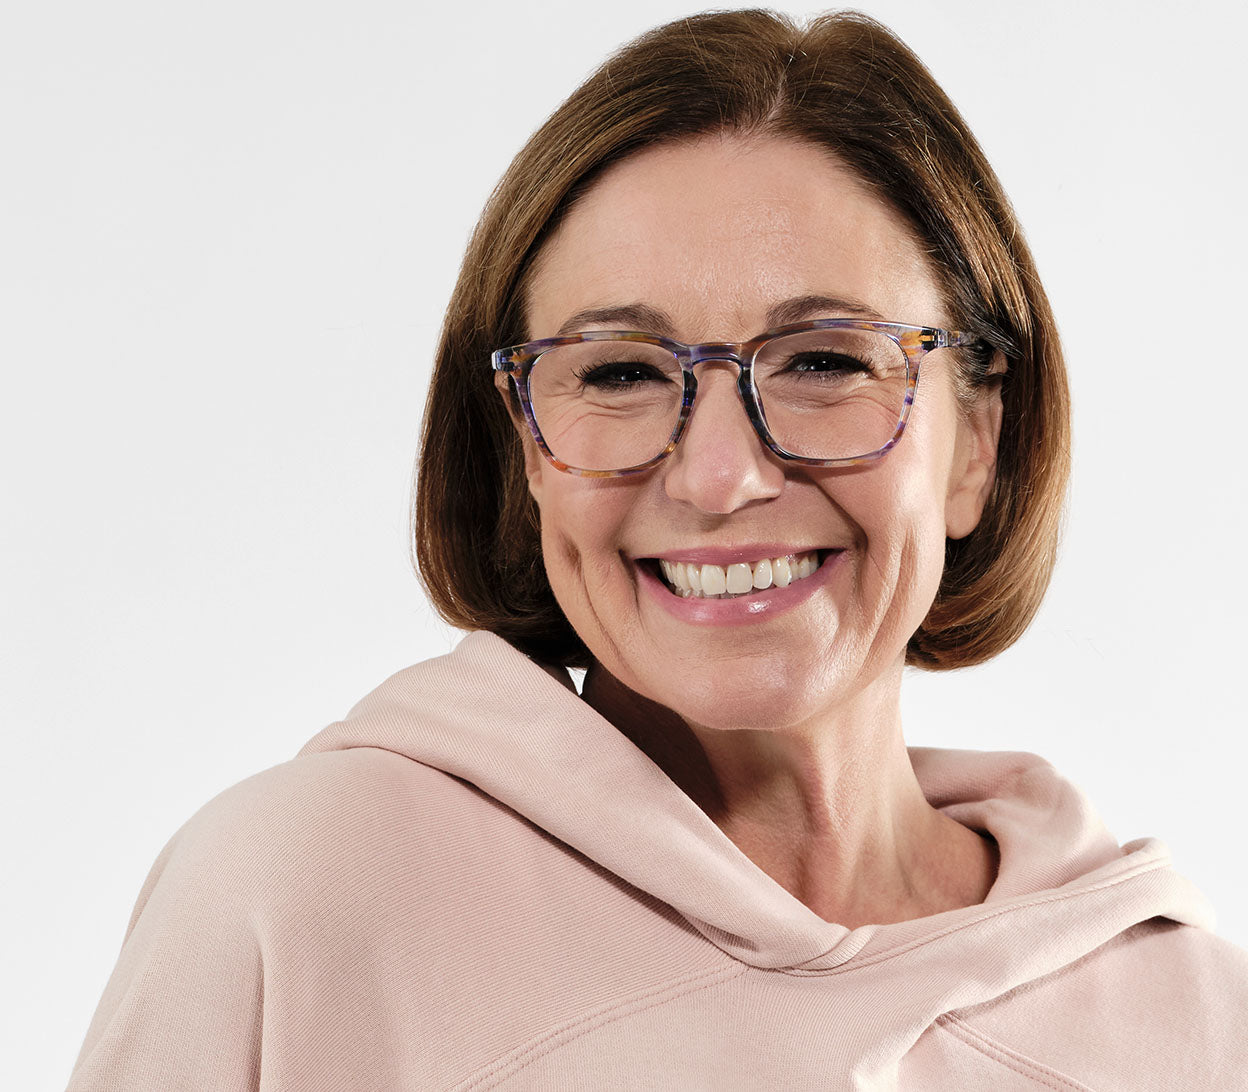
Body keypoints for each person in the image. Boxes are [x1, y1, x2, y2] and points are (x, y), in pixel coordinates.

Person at [67, 9, 1248, 1090]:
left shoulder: (1196, 1023)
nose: (721, 475)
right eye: (621, 374)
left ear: (977, 441)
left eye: (827, 361)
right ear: (525, 450)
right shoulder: (302, 900)